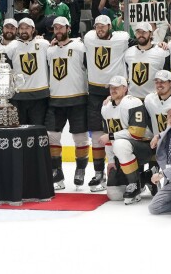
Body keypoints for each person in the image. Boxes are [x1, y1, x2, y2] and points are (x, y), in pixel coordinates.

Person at [84, 15, 131, 190]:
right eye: (97, 26)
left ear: (110, 26)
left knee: (118, 133)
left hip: (118, 91)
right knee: (97, 135)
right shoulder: (89, 37)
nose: (100, 29)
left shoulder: (122, 38)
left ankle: (121, 171)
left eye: (103, 26)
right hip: (95, 92)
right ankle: (98, 173)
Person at [45, 17, 89, 190]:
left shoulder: (79, 46)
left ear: (68, 28)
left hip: (77, 98)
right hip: (55, 99)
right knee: (52, 136)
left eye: (61, 28)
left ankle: (80, 170)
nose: (58, 30)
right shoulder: (49, 50)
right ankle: (57, 172)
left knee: (80, 137)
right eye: (55, 28)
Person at [98, 75, 155, 204]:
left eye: (116, 87)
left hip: (144, 148)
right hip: (122, 153)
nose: (113, 90)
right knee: (114, 194)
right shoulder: (106, 107)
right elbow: (107, 138)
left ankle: (134, 184)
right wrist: (111, 160)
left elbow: (137, 133)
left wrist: (111, 136)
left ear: (125, 88)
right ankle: (144, 177)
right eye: (111, 87)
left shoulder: (132, 102)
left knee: (119, 144)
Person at [4, 18, 50, 125]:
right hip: (19, 95)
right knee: (20, 130)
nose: (24, 31)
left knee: (38, 128)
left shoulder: (43, 44)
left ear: (33, 30)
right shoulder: (12, 46)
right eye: (21, 28)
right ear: (18, 30)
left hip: (40, 94)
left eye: (27, 28)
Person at [124, 22, 169, 100]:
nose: (141, 34)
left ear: (151, 34)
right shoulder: (128, 52)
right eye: (138, 32)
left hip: (153, 99)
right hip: (132, 98)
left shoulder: (162, 52)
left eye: (144, 32)